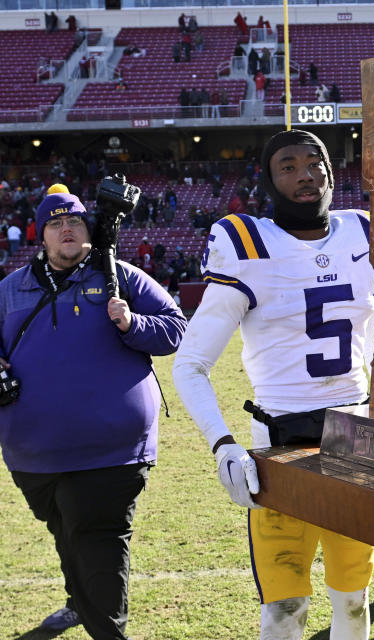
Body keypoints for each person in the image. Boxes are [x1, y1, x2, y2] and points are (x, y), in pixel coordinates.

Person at [173, 130, 374, 640]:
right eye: (288, 166)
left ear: (332, 172)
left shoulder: (364, 232)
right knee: (284, 608)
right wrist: (223, 445)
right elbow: (190, 363)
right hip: (277, 440)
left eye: (315, 162)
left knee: (353, 601)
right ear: (269, 180)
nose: (304, 174)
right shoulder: (245, 243)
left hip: (356, 434)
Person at [0, 190, 186, 637]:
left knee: (97, 541)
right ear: (41, 236)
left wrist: (131, 323)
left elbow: (175, 329)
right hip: (34, 454)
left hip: (112, 450)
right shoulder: (10, 289)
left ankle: (106, 628)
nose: (67, 229)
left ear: (91, 230)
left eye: (76, 222)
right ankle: (77, 602)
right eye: (55, 223)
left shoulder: (121, 278)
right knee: (66, 530)